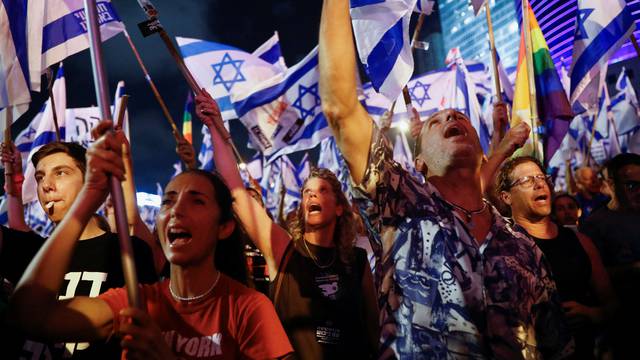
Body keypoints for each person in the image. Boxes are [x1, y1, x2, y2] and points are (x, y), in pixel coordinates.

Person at [318, 0, 573, 358]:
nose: (451, 115)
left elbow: (556, 346)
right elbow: (341, 110)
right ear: (418, 162)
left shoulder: (524, 247)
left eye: (460, 117)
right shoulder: (399, 205)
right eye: (436, 123)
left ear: (483, 150)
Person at [8, 120, 293, 360]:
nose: (176, 210)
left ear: (225, 228)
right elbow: (32, 314)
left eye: (196, 202)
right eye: (168, 201)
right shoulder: (137, 300)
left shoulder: (248, 308)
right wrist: (90, 194)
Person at [196, 92, 379, 359]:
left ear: (340, 207)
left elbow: (371, 327)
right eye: (306, 192)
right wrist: (217, 128)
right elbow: (235, 189)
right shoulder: (284, 251)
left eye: (322, 190)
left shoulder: (358, 260)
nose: (311, 195)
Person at [1, 137, 158, 359]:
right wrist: (12, 177)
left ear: (89, 180)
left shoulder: (127, 252)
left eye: (61, 172)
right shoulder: (31, 251)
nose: (46, 185)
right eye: (39, 177)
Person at [497, 156, 616, 359]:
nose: (538, 183)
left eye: (541, 177)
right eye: (526, 180)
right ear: (506, 197)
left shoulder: (580, 242)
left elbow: (613, 305)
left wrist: (591, 314)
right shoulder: (500, 248)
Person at [579, 153, 640, 359]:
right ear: (612, 185)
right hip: (620, 324)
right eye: (631, 185)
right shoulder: (595, 225)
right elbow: (588, 277)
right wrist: (632, 268)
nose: (639, 191)